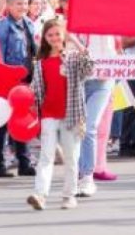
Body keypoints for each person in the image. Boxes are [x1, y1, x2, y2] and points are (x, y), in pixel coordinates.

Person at [27, 20, 94, 210]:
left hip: (71, 115)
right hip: (49, 113)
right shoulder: (41, 63)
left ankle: (69, 195)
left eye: (58, 34)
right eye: (50, 35)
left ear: (63, 35)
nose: (55, 38)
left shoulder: (72, 57)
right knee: (46, 156)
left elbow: (89, 69)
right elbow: (36, 89)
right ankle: (40, 195)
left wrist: (78, 45)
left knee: (72, 157)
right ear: (45, 39)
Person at [0, 0, 37, 177]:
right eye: (19, 3)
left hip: (26, 79)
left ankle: (24, 162)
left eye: (25, 3)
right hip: (8, 79)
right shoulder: (3, 27)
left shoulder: (29, 24)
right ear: (9, 6)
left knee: (22, 119)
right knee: (2, 123)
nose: (23, 7)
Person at [75, 34, 120, 196]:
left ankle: (87, 177)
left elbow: (111, 52)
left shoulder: (102, 26)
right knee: (76, 128)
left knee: (89, 126)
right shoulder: (69, 26)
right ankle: (78, 173)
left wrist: (109, 67)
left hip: (101, 81)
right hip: (77, 79)